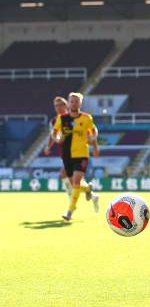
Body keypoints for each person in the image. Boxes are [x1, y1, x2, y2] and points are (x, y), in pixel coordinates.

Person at [51, 92, 100, 221]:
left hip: (82, 154)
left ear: (80, 103)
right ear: (69, 102)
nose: (74, 103)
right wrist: (57, 139)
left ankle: (70, 211)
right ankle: (88, 189)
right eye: (72, 101)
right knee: (74, 183)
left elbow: (93, 130)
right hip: (67, 155)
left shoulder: (87, 118)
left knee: (77, 181)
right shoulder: (62, 118)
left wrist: (94, 144)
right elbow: (54, 132)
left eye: (76, 101)